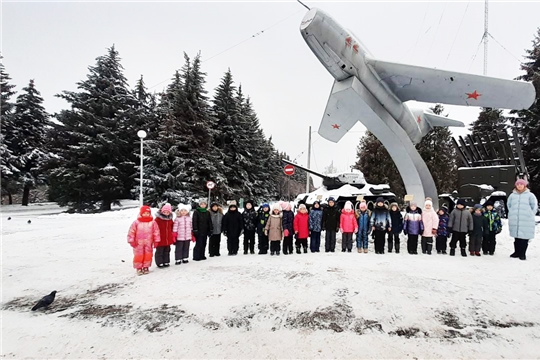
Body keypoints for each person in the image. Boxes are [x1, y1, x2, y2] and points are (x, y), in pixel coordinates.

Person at [507, 179, 538, 260]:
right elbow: (509, 205)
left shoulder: (530, 195)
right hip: (515, 219)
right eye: (518, 184)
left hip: (526, 219)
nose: (519, 186)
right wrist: (512, 213)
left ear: (525, 185)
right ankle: (516, 252)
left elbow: (534, 206)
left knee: (524, 238)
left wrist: (530, 214)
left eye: (521, 184)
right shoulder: (512, 195)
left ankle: (522, 253)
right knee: (516, 236)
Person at [127, 206, 161, 275]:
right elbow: (131, 232)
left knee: (148, 255)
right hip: (138, 243)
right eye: (144, 213)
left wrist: (156, 240)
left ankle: (146, 266)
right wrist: (131, 240)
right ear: (141, 213)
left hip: (148, 242)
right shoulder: (136, 223)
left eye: (147, 213)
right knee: (139, 255)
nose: (146, 214)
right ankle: (138, 267)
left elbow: (156, 232)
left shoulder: (153, 223)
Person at [154, 203, 175, 268]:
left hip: (168, 238)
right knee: (160, 251)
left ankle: (166, 261)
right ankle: (159, 262)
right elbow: (154, 227)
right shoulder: (158, 219)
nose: (166, 213)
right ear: (162, 211)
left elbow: (172, 227)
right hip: (160, 238)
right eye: (164, 211)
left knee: (167, 250)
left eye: (167, 211)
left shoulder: (170, 219)